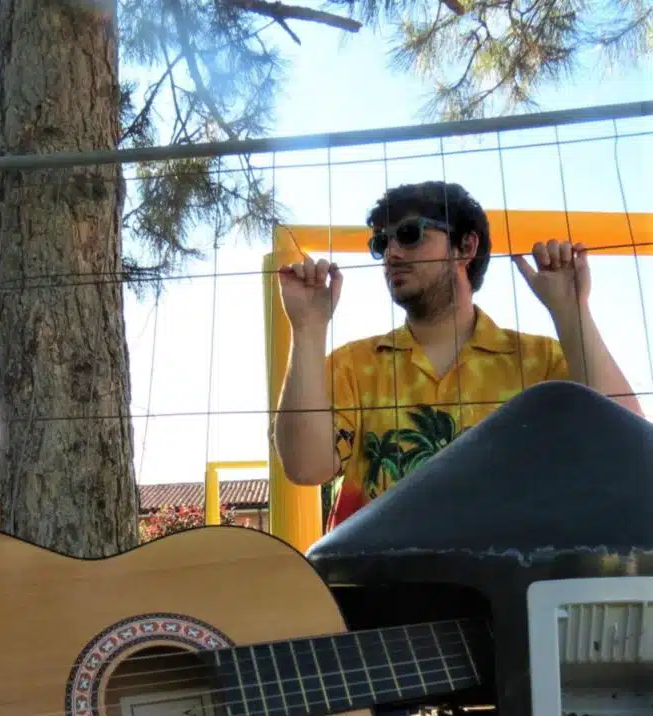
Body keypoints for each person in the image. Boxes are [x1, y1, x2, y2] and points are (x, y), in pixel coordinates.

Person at [272, 180, 642, 530]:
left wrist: (571, 312)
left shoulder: (540, 360)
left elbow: (627, 445)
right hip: (373, 576)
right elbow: (306, 467)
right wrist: (307, 328)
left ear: (466, 246)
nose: (392, 253)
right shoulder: (353, 365)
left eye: (410, 234)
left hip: (511, 572)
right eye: (381, 243)